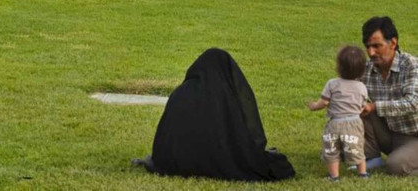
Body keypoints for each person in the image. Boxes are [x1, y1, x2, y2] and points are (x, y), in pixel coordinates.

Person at [132, 48, 295, 182]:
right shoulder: (225, 102)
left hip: (172, 162)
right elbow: (238, 137)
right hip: (210, 161)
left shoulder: (180, 94)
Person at [360, 16, 418, 176]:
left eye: (377, 46)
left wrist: (375, 106)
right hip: (392, 133)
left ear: (392, 43)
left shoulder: (412, 66)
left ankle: (400, 159)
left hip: (415, 135)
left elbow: (413, 103)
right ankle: (371, 160)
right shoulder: (366, 68)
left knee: (395, 166)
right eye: (368, 47)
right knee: (356, 105)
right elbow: (347, 89)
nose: (371, 52)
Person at [306, 45, 369, 181]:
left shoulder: (332, 84)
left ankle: (334, 176)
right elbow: (363, 105)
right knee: (357, 148)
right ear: (362, 69)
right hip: (355, 123)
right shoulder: (362, 87)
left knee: (332, 150)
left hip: (335, 123)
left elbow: (324, 102)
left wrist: (313, 106)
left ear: (339, 66)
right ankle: (363, 173)